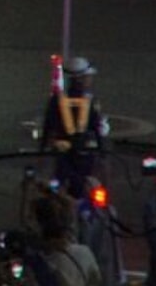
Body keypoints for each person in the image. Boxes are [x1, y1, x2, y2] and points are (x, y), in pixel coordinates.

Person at [41, 57, 107, 199]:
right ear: (81, 79)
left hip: (62, 153)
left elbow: (48, 125)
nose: (90, 80)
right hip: (83, 154)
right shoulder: (88, 101)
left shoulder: (56, 100)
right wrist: (102, 151)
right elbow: (96, 127)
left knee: (58, 189)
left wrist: (42, 149)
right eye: (88, 77)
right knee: (81, 190)